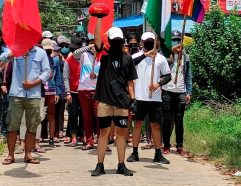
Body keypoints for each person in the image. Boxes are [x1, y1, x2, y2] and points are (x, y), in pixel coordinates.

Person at [91, 24, 138, 177]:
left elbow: (130, 82)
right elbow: (97, 40)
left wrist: (133, 99)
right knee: (103, 132)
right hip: (104, 100)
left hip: (122, 102)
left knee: (121, 133)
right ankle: (100, 165)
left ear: (122, 40)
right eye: (114, 40)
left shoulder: (128, 59)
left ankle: (121, 164)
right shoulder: (104, 55)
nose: (117, 42)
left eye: (119, 40)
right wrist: (99, 20)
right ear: (110, 41)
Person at [0, 45, 50, 165]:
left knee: (32, 125)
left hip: (34, 94)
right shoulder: (15, 49)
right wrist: (16, 52)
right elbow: (2, 58)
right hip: (16, 93)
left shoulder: (41, 53)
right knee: (12, 125)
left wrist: (34, 83)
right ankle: (10, 155)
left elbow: (47, 71)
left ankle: (28, 154)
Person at [127, 32, 171, 165]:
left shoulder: (160, 59)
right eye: (146, 41)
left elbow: (168, 76)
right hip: (139, 97)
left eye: (151, 41)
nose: (148, 43)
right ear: (141, 42)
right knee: (138, 124)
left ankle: (158, 153)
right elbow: (130, 64)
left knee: (155, 125)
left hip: (155, 98)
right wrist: (145, 54)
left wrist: (158, 84)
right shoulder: (136, 56)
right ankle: (134, 152)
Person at [161, 30, 192, 155]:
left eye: (178, 40)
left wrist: (188, 92)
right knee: (167, 119)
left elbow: (188, 76)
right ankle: (166, 145)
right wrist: (172, 53)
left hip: (180, 92)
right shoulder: (165, 56)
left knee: (179, 120)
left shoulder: (186, 57)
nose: (176, 42)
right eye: (174, 40)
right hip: (167, 91)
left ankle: (179, 145)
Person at [73, 33, 100, 150]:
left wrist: (97, 74)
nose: (94, 44)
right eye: (91, 41)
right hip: (84, 89)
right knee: (87, 117)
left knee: (99, 117)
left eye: (96, 41)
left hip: (98, 90)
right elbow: (75, 54)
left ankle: (101, 140)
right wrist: (89, 47)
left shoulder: (103, 56)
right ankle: (89, 141)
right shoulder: (83, 55)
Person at [40, 38, 64, 147]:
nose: (48, 51)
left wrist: (58, 93)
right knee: (39, 115)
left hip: (51, 89)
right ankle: (38, 136)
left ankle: (51, 138)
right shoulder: (39, 60)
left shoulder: (55, 61)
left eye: (49, 49)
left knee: (51, 116)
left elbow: (58, 76)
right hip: (40, 89)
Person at [63, 37, 84, 146]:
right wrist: (67, 92)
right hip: (72, 91)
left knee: (83, 115)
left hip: (83, 91)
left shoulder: (86, 58)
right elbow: (65, 77)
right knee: (73, 114)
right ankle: (73, 136)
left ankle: (81, 134)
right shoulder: (68, 60)